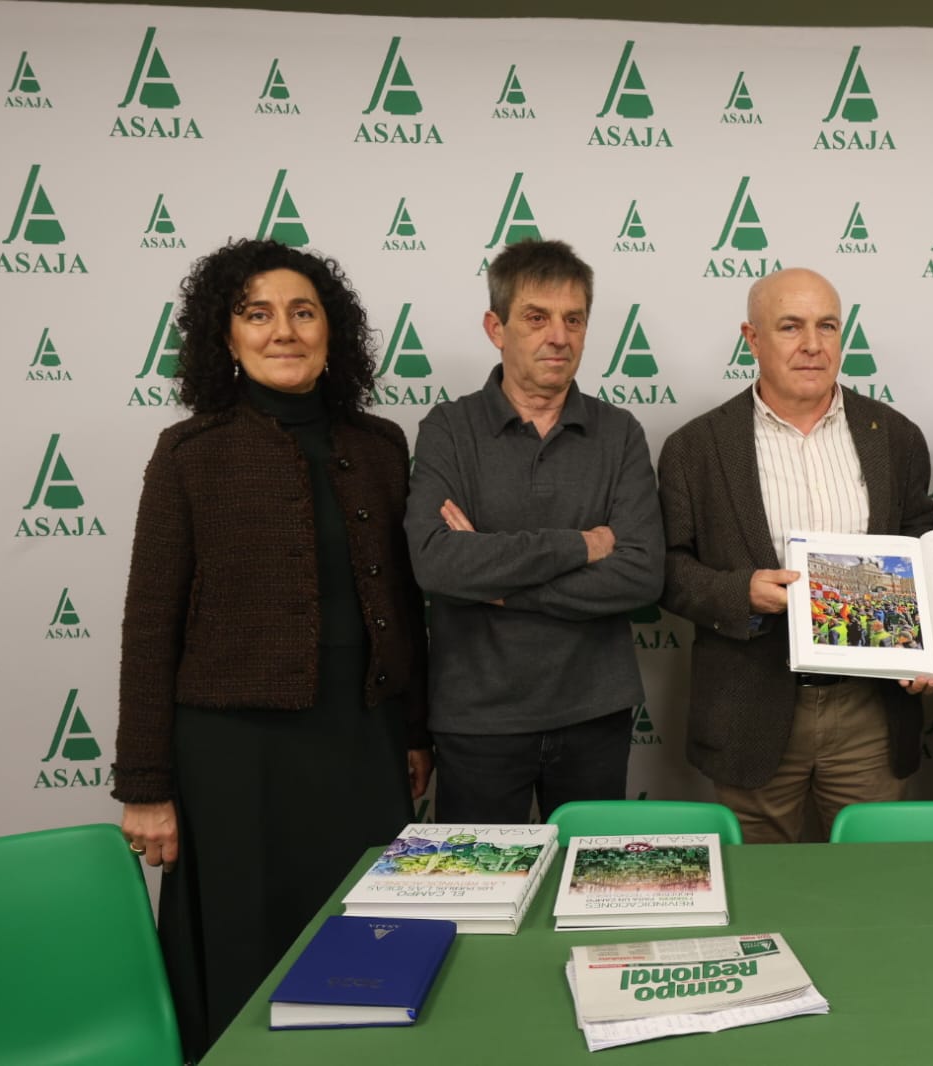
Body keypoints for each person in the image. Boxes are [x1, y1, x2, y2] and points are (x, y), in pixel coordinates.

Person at [112, 239, 431, 1058]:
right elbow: (150, 626)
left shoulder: (381, 444)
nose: (282, 330)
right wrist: (145, 785)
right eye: (257, 314)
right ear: (227, 338)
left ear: (334, 333)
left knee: (370, 947)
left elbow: (404, 603)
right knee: (248, 948)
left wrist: (417, 732)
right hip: (233, 756)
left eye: (302, 311)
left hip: (361, 736)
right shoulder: (189, 453)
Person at [658, 267, 933, 843]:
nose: (812, 344)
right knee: (761, 891)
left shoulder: (896, 437)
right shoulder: (695, 447)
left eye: (827, 326)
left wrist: (927, 643)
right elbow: (666, 567)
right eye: (790, 326)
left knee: (874, 882)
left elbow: (923, 552)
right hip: (750, 708)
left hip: (869, 709)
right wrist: (740, 593)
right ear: (752, 338)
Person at [405, 238, 662, 823]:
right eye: (537, 318)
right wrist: (582, 545)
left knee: (593, 901)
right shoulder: (448, 428)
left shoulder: (619, 433)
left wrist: (497, 583)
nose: (559, 336)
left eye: (574, 320)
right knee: (478, 907)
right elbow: (437, 563)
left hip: (595, 713)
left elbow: (641, 575)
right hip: (477, 719)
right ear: (496, 327)